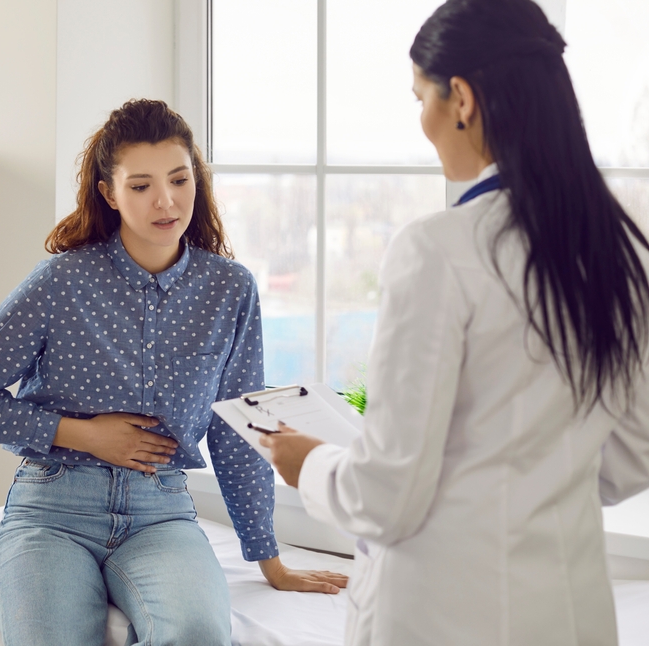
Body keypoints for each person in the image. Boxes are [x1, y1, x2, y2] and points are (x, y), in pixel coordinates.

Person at [261, 1, 649, 644]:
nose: (424, 122)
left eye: (422, 99)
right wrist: (534, 485)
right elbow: (634, 454)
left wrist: (313, 465)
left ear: (461, 99)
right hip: (570, 613)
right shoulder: (617, 248)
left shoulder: (437, 249)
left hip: (446, 616)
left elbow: (388, 495)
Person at [0, 99, 347, 646]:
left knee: (199, 635)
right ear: (109, 192)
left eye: (179, 179)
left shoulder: (230, 288)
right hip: (52, 508)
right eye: (141, 185)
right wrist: (82, 434)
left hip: (162, 513)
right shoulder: (63, 281)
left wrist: (268, 559)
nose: (166, 201)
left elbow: (233, 429)